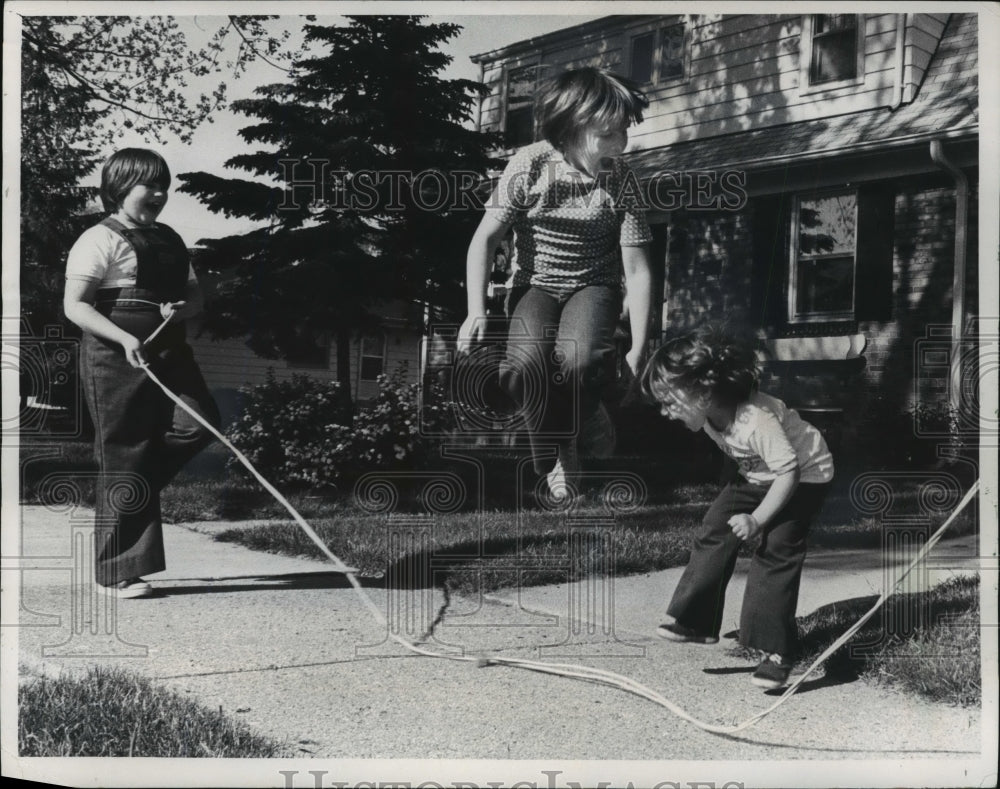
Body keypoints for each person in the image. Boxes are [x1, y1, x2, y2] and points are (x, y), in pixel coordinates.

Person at [458, 67, 655, 499]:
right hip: (535, 285)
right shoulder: (530, 164)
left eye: (624, 133)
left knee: (580, 361)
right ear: (572, 127)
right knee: (522, 370)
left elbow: (637, 272)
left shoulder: (622, 181)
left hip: (594, 285)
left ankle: (583, 416)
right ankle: (557, 449)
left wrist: (639, 346)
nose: (620, 145)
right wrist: (477, 309)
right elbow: (485, 239)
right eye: (608, 135)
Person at [640, 327, 834, 689]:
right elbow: (739, 457)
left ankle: (776, 652)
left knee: (776, 549)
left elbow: (788, 472)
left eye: (669, 400)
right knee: (715, 527)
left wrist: (758, 519)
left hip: (804, 475)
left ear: (704, 389)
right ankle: (695, 622)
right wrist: (735, 502)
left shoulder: (756, 420)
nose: (665, 412)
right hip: (759, 474)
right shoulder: (711, 415)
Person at [64, 148, 220, 598]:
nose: (159, 194)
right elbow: (76, 306)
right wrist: (124, 337)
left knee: (199, 423)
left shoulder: (171, 240)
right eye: (149, 185)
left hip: (170, 353)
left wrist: (181, 307)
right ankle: (116, 572)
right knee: (123, 453)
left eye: (164, 185)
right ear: (118, 189)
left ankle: (132, 487)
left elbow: (197, 299)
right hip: (113, 357)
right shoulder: (98, 238)